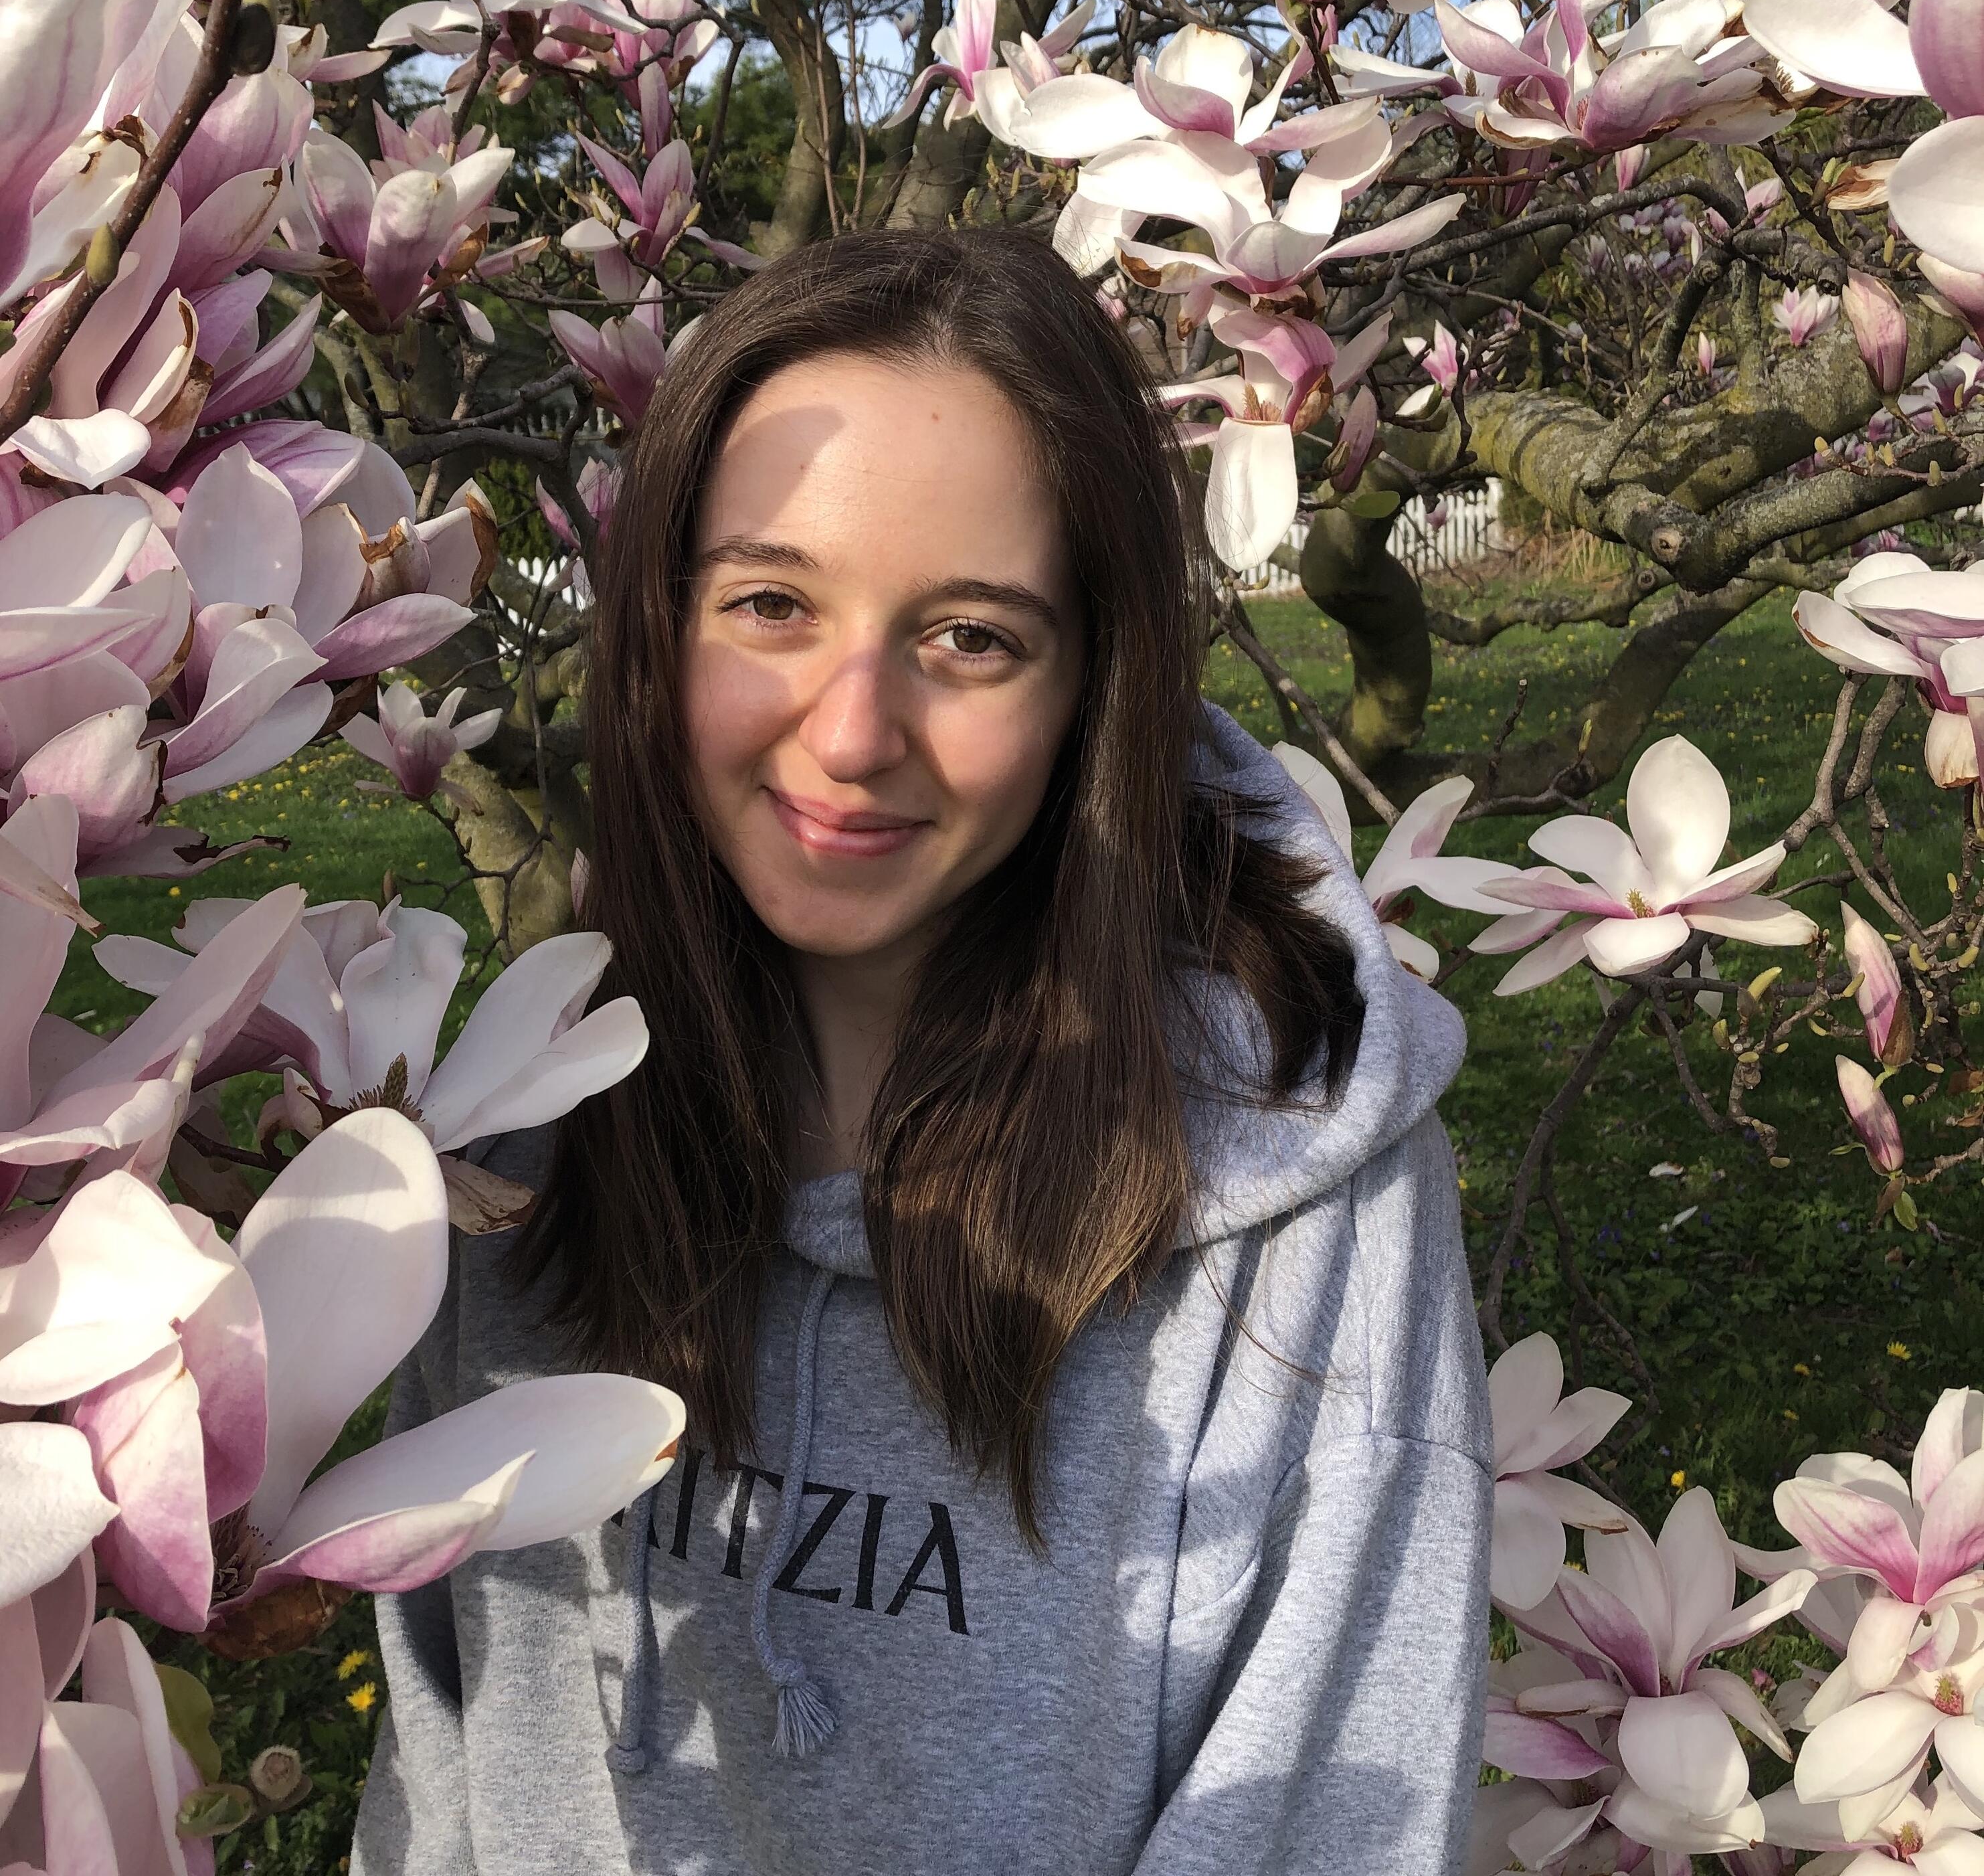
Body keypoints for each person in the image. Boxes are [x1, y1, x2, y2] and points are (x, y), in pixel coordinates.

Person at [351, 228, 1492, 1876]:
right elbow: (445, 1755)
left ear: (1095, 683)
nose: (851, 731)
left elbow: (1329, 1819)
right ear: (659, 628)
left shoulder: (1304, 1197)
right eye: (770, 604)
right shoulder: (521, 1132)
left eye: (971, 638)